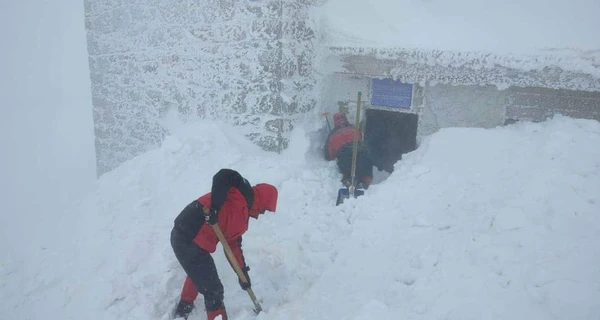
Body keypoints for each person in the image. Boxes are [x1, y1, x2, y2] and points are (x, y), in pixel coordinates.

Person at [170, 169, 278, 320]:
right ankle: (192, 310)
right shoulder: (239, 193)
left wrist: (242, 273)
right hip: (187, 235)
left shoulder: (242, 218)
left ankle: (184, 307)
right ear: (263, 201)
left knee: (200, 271)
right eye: (265, 209)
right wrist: (214, 208)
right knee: (213, 290)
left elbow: (232, 245)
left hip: (192, 241)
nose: (261, 214)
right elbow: (223, 175)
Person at [324, 112, 373, 189]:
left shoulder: (332, 136)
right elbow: (362, 138)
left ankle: (348, 182)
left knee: (347, 171)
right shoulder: (355, 129)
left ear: (335, 122)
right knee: (365, 168)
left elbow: (329, 155)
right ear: (346, 120)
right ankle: (364, 183)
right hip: (360, 150)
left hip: (344, 154)